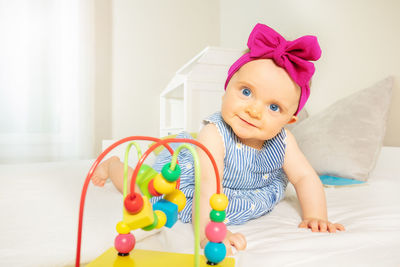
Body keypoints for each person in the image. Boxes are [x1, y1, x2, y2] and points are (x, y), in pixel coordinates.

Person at [91, 23, 345, 255]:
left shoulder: (285, 141)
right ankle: (114, 165)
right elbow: (207, 183)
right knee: (141, 191)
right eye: (246, 92)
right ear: (226, 91)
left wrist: (316, 215)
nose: (254, 110)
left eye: (274, 107)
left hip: (245, 190)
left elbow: (304, 177)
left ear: (288, 120)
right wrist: (208, 235)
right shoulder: (215, 132)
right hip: (193, 181)